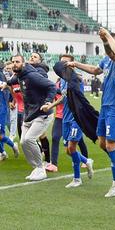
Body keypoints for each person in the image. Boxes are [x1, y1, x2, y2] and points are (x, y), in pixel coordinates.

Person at [69, 29, 115, 197]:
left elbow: (112, 53)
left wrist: (106, 40)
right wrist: (77, 64)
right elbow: (95, 70)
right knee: (102, 143)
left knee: (111, 145)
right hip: (106, 105)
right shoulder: (106, 60)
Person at [2, 55, 56, 181]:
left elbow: (52, 86)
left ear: (23, 63)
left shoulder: (32, 76)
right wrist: (6, 84)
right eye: (13, 62)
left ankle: (41, 168)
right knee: (23, 142)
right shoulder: (19, 75)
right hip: (30, 114)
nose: (14, 64)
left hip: (42, 114)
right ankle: (36, 167)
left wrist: (48, 101)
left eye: (17, 62)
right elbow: (13, 80)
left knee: (29, 139)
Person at [43, 54, 94, 188]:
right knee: (68, 150)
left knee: (71, 147)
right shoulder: (64, 80)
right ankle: (86, 161)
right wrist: (51, 106)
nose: (63, 65)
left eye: (66, 62)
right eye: (61, 62)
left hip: (76, 118)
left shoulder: (76, 79)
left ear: (72, 64)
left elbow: (78, 98)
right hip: (65, 117)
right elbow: (64, 97)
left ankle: (77, 179)